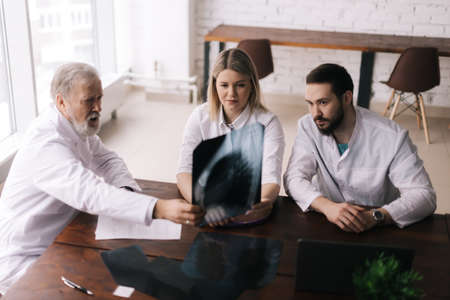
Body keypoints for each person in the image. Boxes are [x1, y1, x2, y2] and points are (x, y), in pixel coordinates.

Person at [0, 62, 203, 294]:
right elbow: (90, 192)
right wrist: (158, 208)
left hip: (62, 236)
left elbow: (107, 160)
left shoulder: (74, 125)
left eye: (100, 98)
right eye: (89, 100)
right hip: (25, 257)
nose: (98, 107)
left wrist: (126, 191)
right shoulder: (46, 145)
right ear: (61, 102)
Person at [284, 63, 436, 233]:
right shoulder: (308, 126)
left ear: (347, 98)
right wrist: (327, 207)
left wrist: (376, 216)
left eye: (323, 102)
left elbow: (424, 196)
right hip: (326, 222)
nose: (315, 113)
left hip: (377, 228)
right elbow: (293, 178)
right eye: (310, 103)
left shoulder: (392, 136)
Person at [177, 48, 285, 226]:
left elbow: (271, 178)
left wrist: (263, 203)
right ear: (214, 84)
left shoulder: (269, 123)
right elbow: (183, 172)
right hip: (206, 210)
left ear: (252, 84)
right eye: (224, 85)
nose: (231, 94)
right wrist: (201, 205)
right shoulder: (199, 116)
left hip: (249, 215)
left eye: (240, 85)